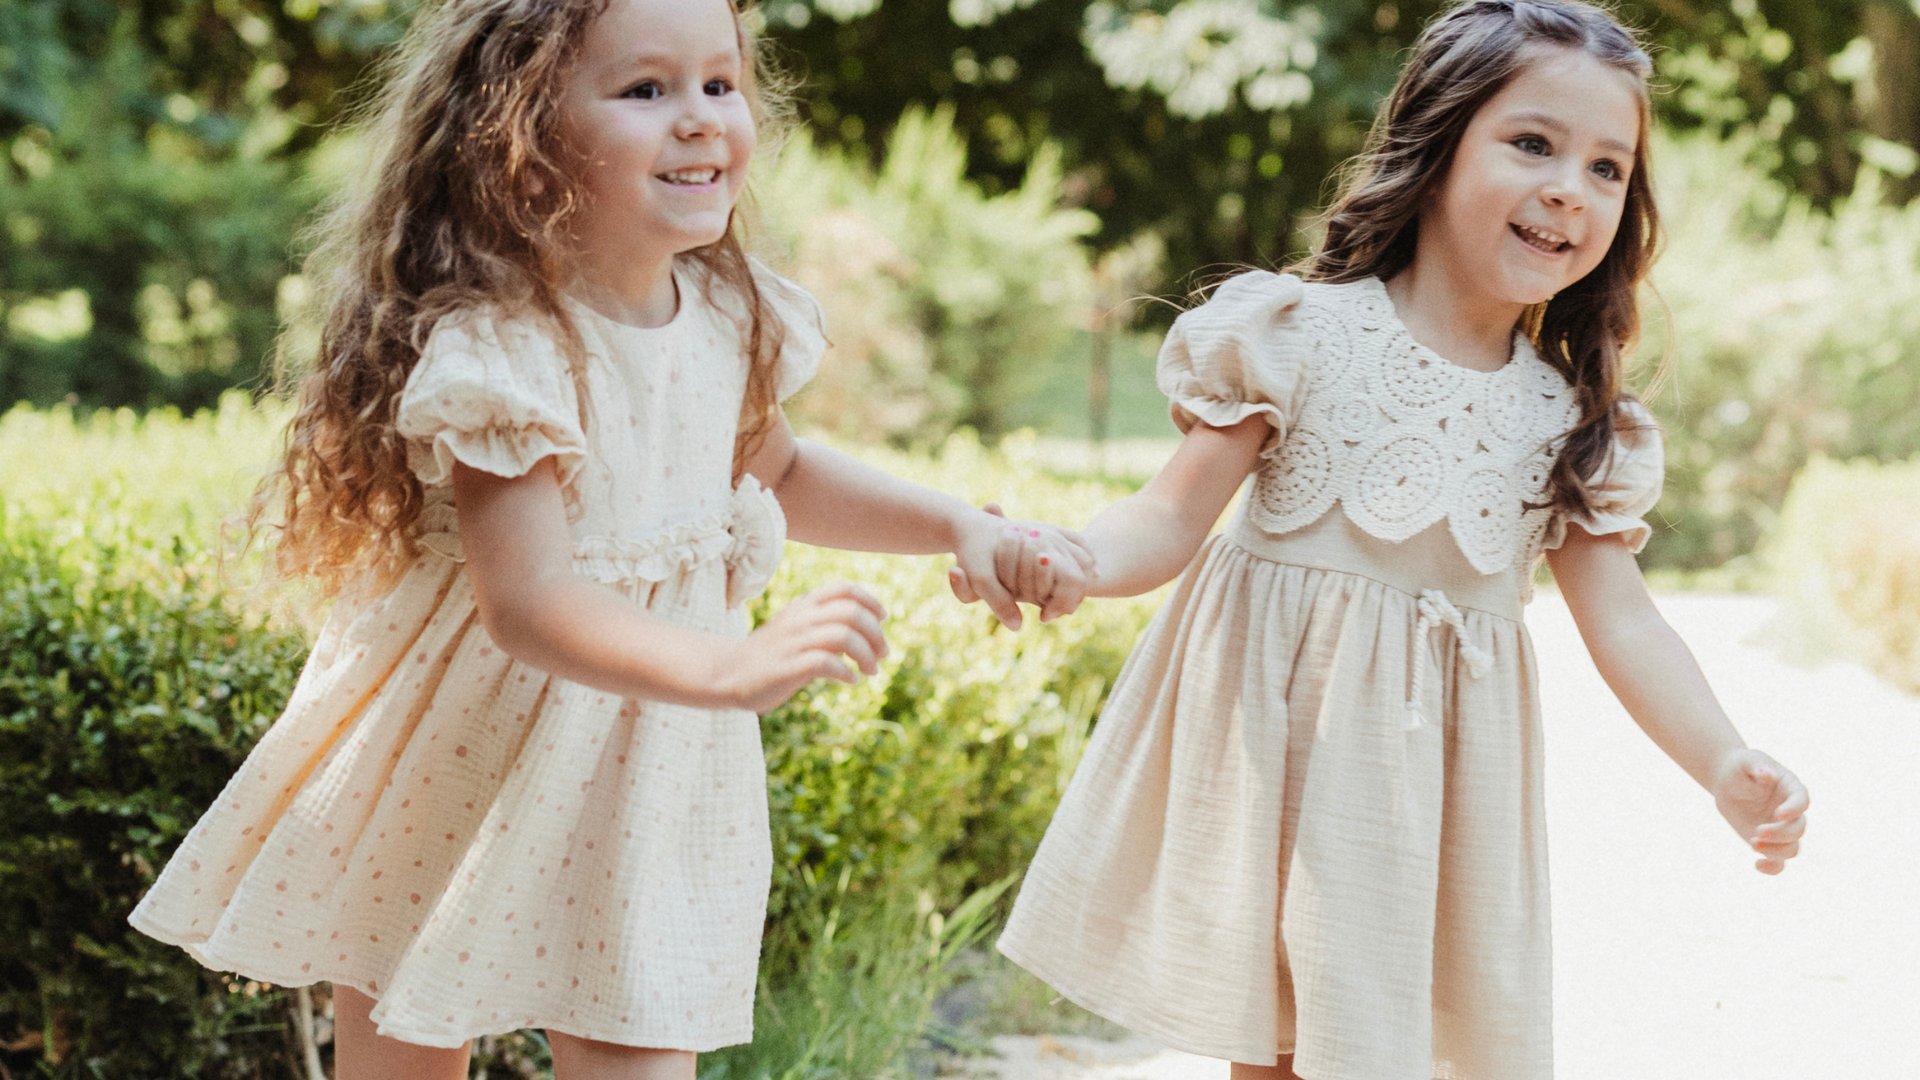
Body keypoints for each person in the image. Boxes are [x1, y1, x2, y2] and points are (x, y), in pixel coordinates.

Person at [127, 0, 1076, 1076]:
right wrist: (727, 664)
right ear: (522, 136)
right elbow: (526, 601)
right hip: (468, 742)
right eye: (645, 90)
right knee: (404, 1040)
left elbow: (785, 471)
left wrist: (954, 522)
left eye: (720, 84)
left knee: (639, 1033)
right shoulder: (508, 349)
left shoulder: (727, 316)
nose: (700, 119)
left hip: (652, 754)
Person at [952, 3, 1811, 1078]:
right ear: (1438, 142)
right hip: (1280, 756)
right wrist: (1077, 559)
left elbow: (1626, 621)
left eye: (1607, 168)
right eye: (1533, 144)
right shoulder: (1296, 338)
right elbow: (1167, 519)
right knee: (1269, 1053)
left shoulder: (1572, 422)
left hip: (1433, 801)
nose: (1568, 188)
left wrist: (1720, 756)